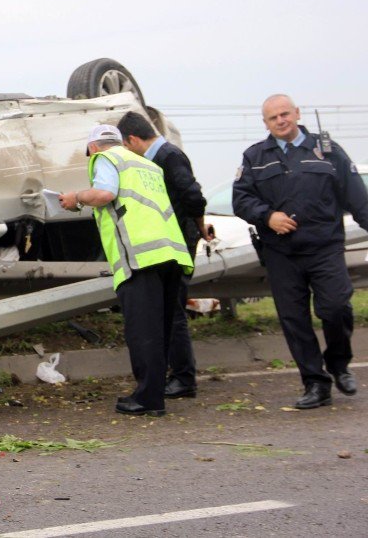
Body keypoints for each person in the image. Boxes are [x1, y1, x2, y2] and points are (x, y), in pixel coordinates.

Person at [232, 94, 368, 408]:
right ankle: (315, 384)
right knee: (294, 320)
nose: (280, 121)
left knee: (335, 308)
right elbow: (241, 198)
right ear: (265, 123)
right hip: (281, 253)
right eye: (273, 118)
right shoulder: (255, 156)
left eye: (284, 114)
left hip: (325, 248)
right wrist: (267, 216)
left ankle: (338, 364)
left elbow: (357, 199)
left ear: (296, 113)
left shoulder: (328, 151)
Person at [60, 124, 194, 417]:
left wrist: (77, 197)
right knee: (161, 328)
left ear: (93, 147)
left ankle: (148, 399)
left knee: (143, 331)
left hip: (139, 256)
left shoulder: (106, 159)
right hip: (170, 252)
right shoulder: (146, 165)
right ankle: (155, 395)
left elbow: (106, 194)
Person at [117, 111, 213, 400]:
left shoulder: (169, 156)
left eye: (124, 145)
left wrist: (197, 226)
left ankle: (184, 378)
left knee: (173, 313)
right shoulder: (160, 158)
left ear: (133, 139)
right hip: (172, 242)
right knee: (167, 311)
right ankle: (178, 375)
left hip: (180, 242)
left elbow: (193, 195)